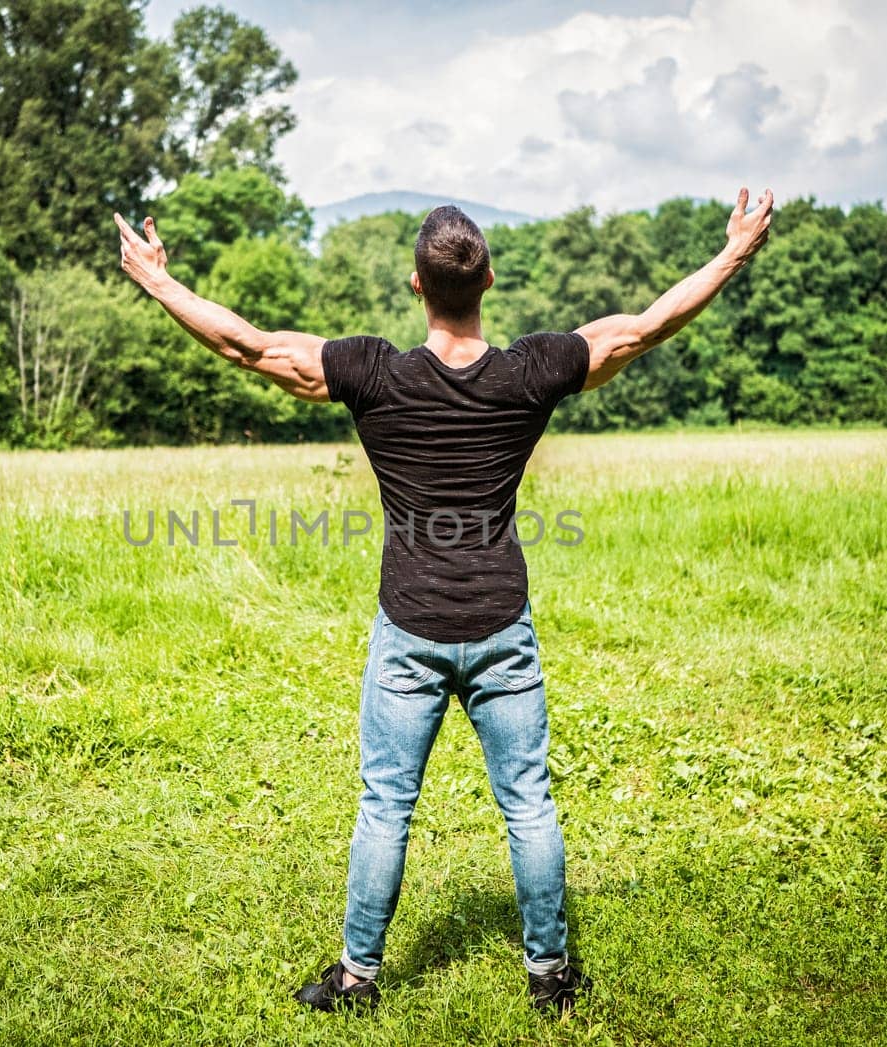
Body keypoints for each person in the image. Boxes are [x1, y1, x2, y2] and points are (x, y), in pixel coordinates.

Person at [113, 186, 774, 1016]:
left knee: (386, 805)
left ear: (415, 285)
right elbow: (641, 326)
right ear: (488, 279)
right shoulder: (531, 371)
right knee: (527, 801)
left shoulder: (371, 373)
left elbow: (250, 347)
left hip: (411, 627)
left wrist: (158, 282)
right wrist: (733, 251)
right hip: (501, 624)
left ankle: (356, 980)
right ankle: (550, 978)